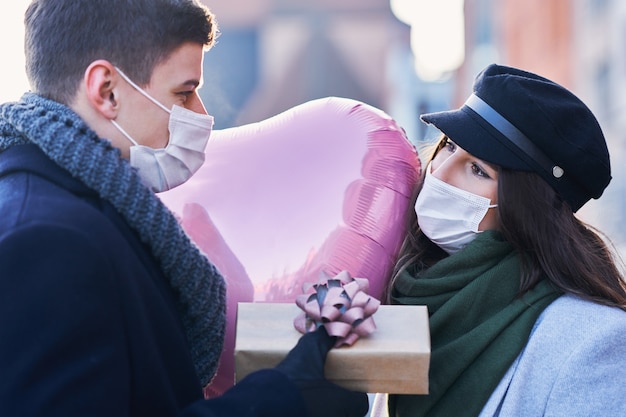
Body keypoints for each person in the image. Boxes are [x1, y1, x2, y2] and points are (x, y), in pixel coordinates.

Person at [0, 0, 368, 416]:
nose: (202, 114)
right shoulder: (47, 239)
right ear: (106, 90)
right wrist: (289, 394)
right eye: (185, 91)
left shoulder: (83, 207)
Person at [383, 64, 626, 416]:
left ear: (526, 207)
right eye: (449, 146)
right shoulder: (397, 297)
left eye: (478, 169)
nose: (440, 172)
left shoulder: (591, 343)